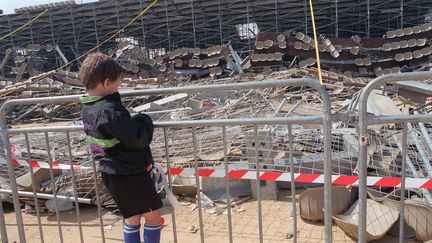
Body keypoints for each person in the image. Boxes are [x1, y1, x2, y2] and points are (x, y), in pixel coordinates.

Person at [79, 53, 162, 243]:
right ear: (107, 83)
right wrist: (143, 120)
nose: (118, 88)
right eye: (117, 83)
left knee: (132, 218)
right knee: (152, 215)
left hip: (111, 172)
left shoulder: (88, 107)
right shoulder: (109, 109)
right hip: (129, 171)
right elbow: (135, 137)